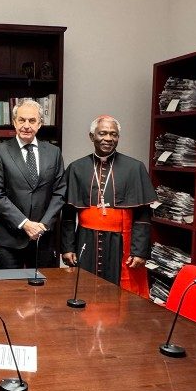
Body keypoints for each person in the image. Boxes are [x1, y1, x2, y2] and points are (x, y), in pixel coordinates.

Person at [60, 115, 156, 297]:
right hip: (86, 240)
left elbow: (143, 215)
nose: (108, 139)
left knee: (121, 296)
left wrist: (139, 250)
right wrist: (67, 247)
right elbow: (68, 213)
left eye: (114, 134)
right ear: (92, 136)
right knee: (84, 291)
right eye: (103, 133)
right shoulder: (76, 168)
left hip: (120, 242)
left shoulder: (134, 168)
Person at [0, 99, 66, 269]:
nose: (26, 125)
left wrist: (43, 225)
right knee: (10, 292)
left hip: (43, 238)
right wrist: (25, 224)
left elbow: (60, 192)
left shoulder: (54, 152)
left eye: (32, 121)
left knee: (43, 292)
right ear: (14, 122)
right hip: (10, 239)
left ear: (40, 124)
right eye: (21, 120)